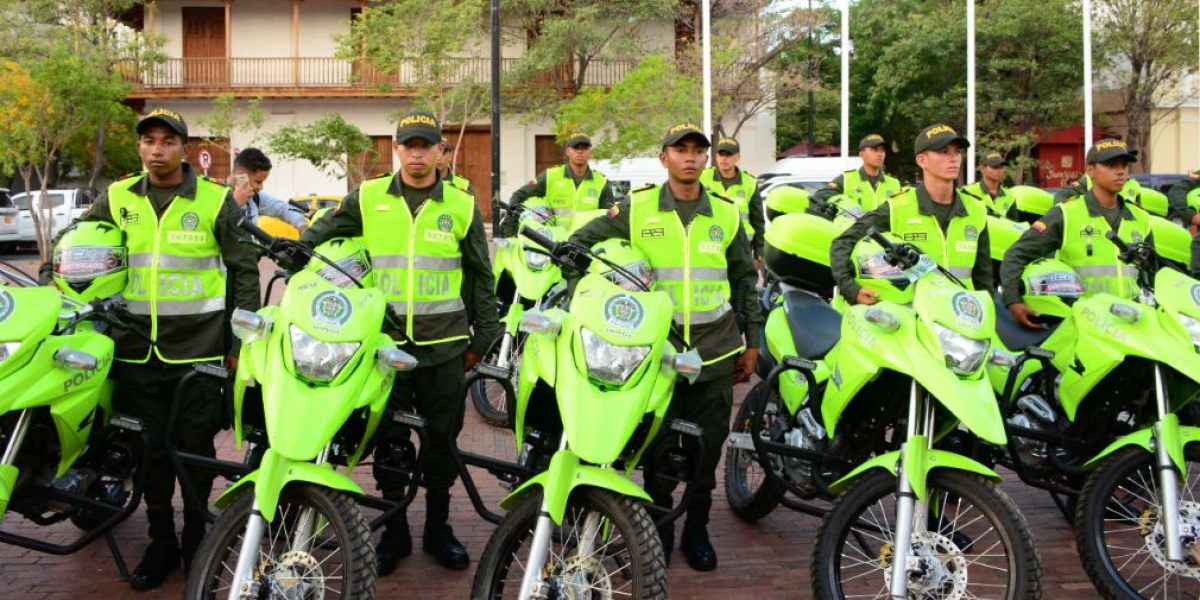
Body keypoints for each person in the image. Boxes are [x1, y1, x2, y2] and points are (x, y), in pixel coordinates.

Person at [38, 107, 262, 590]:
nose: (157, 149)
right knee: (150, 455)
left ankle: (198, 539)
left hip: (198, 354)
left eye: (167, 141)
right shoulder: (118, 196)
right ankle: (161, 541)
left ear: (185, 147)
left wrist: (239, 341)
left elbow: (244, 270)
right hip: (133, 352)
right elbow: (72, 243)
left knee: (195, 452)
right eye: (148, 141)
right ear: (140, 147)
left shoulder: (215, 200)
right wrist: (50, 280)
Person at [300, 110, 500, 575]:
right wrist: (294, 258)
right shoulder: (368, 197)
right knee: (390, 441)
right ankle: (395, 531)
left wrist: (485, 335)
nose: (416, 153)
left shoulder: (462, 204)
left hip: (445, 345)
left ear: (440, 152)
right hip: (383, 349)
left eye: (425, 145)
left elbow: (479, 274)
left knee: (441, 440)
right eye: (408, 145)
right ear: (396, 150)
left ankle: (438, 527)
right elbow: (320, 235)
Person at [568, 121, 763, 572]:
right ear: (665, 159)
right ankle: (659, 527)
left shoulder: (728, 214)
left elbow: (744, 282)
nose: (690, 157)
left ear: (706, 159)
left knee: (706, 449)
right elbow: (579, 246)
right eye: (681, 150)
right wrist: (588, 293)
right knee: (656, 448)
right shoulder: (636, 209)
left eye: (698, 150)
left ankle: (697, 529)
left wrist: (752, 341)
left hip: (716, 352)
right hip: (657, 354)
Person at [830, 124, 993, 305]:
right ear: (922, 161)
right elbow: (843, 242)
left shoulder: (976, 209)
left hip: (964, 317)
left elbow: (984, 277)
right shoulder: (898, 207)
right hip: (915, 316)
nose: (954, 158)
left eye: (957, 152)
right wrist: (851, 290)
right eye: (944, 152)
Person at [1002, 139, 1151, 327]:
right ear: (1090, 171)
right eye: (1111, 165)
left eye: (1124, 165)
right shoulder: (1066, 214)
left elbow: (1154, 273)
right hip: (1082, 323)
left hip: (1131, 322)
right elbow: (1017, 254)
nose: (1121, 171)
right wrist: (1013, 301)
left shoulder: (1141, 218)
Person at [500, 131, 614, 235]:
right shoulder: (551, 176)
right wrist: (510, 231)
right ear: (568, 151)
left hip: (587, 243)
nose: (580, 151)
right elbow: (518, 196)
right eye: (575, 148)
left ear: (590, 152)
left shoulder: (601, 182)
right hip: (554, 243)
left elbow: (610, 219)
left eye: (584, 148)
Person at [699, 136, 765, 265]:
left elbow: (758, 221)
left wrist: (759, 252)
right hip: (710, 244)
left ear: (738, 157)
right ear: (716, 156)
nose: (724, 158)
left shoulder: (749, 183)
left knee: (742, 284)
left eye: (729, 154)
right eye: (721, 154)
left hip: (742, 245)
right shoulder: (702, 178)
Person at [227, 147, 309, 235]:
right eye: (258, 182)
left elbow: (283, 209)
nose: (261, 187)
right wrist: (235, 204)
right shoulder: (217, 198)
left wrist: (302, 227)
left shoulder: (255, 197)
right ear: (241, 175)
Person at [811, 133, 901, 212]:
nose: (879, 154)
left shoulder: (894, 184)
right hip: (856, 231)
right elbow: (817, 199)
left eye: (882, 150)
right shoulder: (846, 180)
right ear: (861, 154)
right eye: (874, 149)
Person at [961, 150, 1017, 219]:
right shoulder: (968, 192)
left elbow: (1014, 226)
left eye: (1001, 167)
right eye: (995, 167)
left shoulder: (1009, 196)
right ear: (982, 168)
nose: (999, 170)